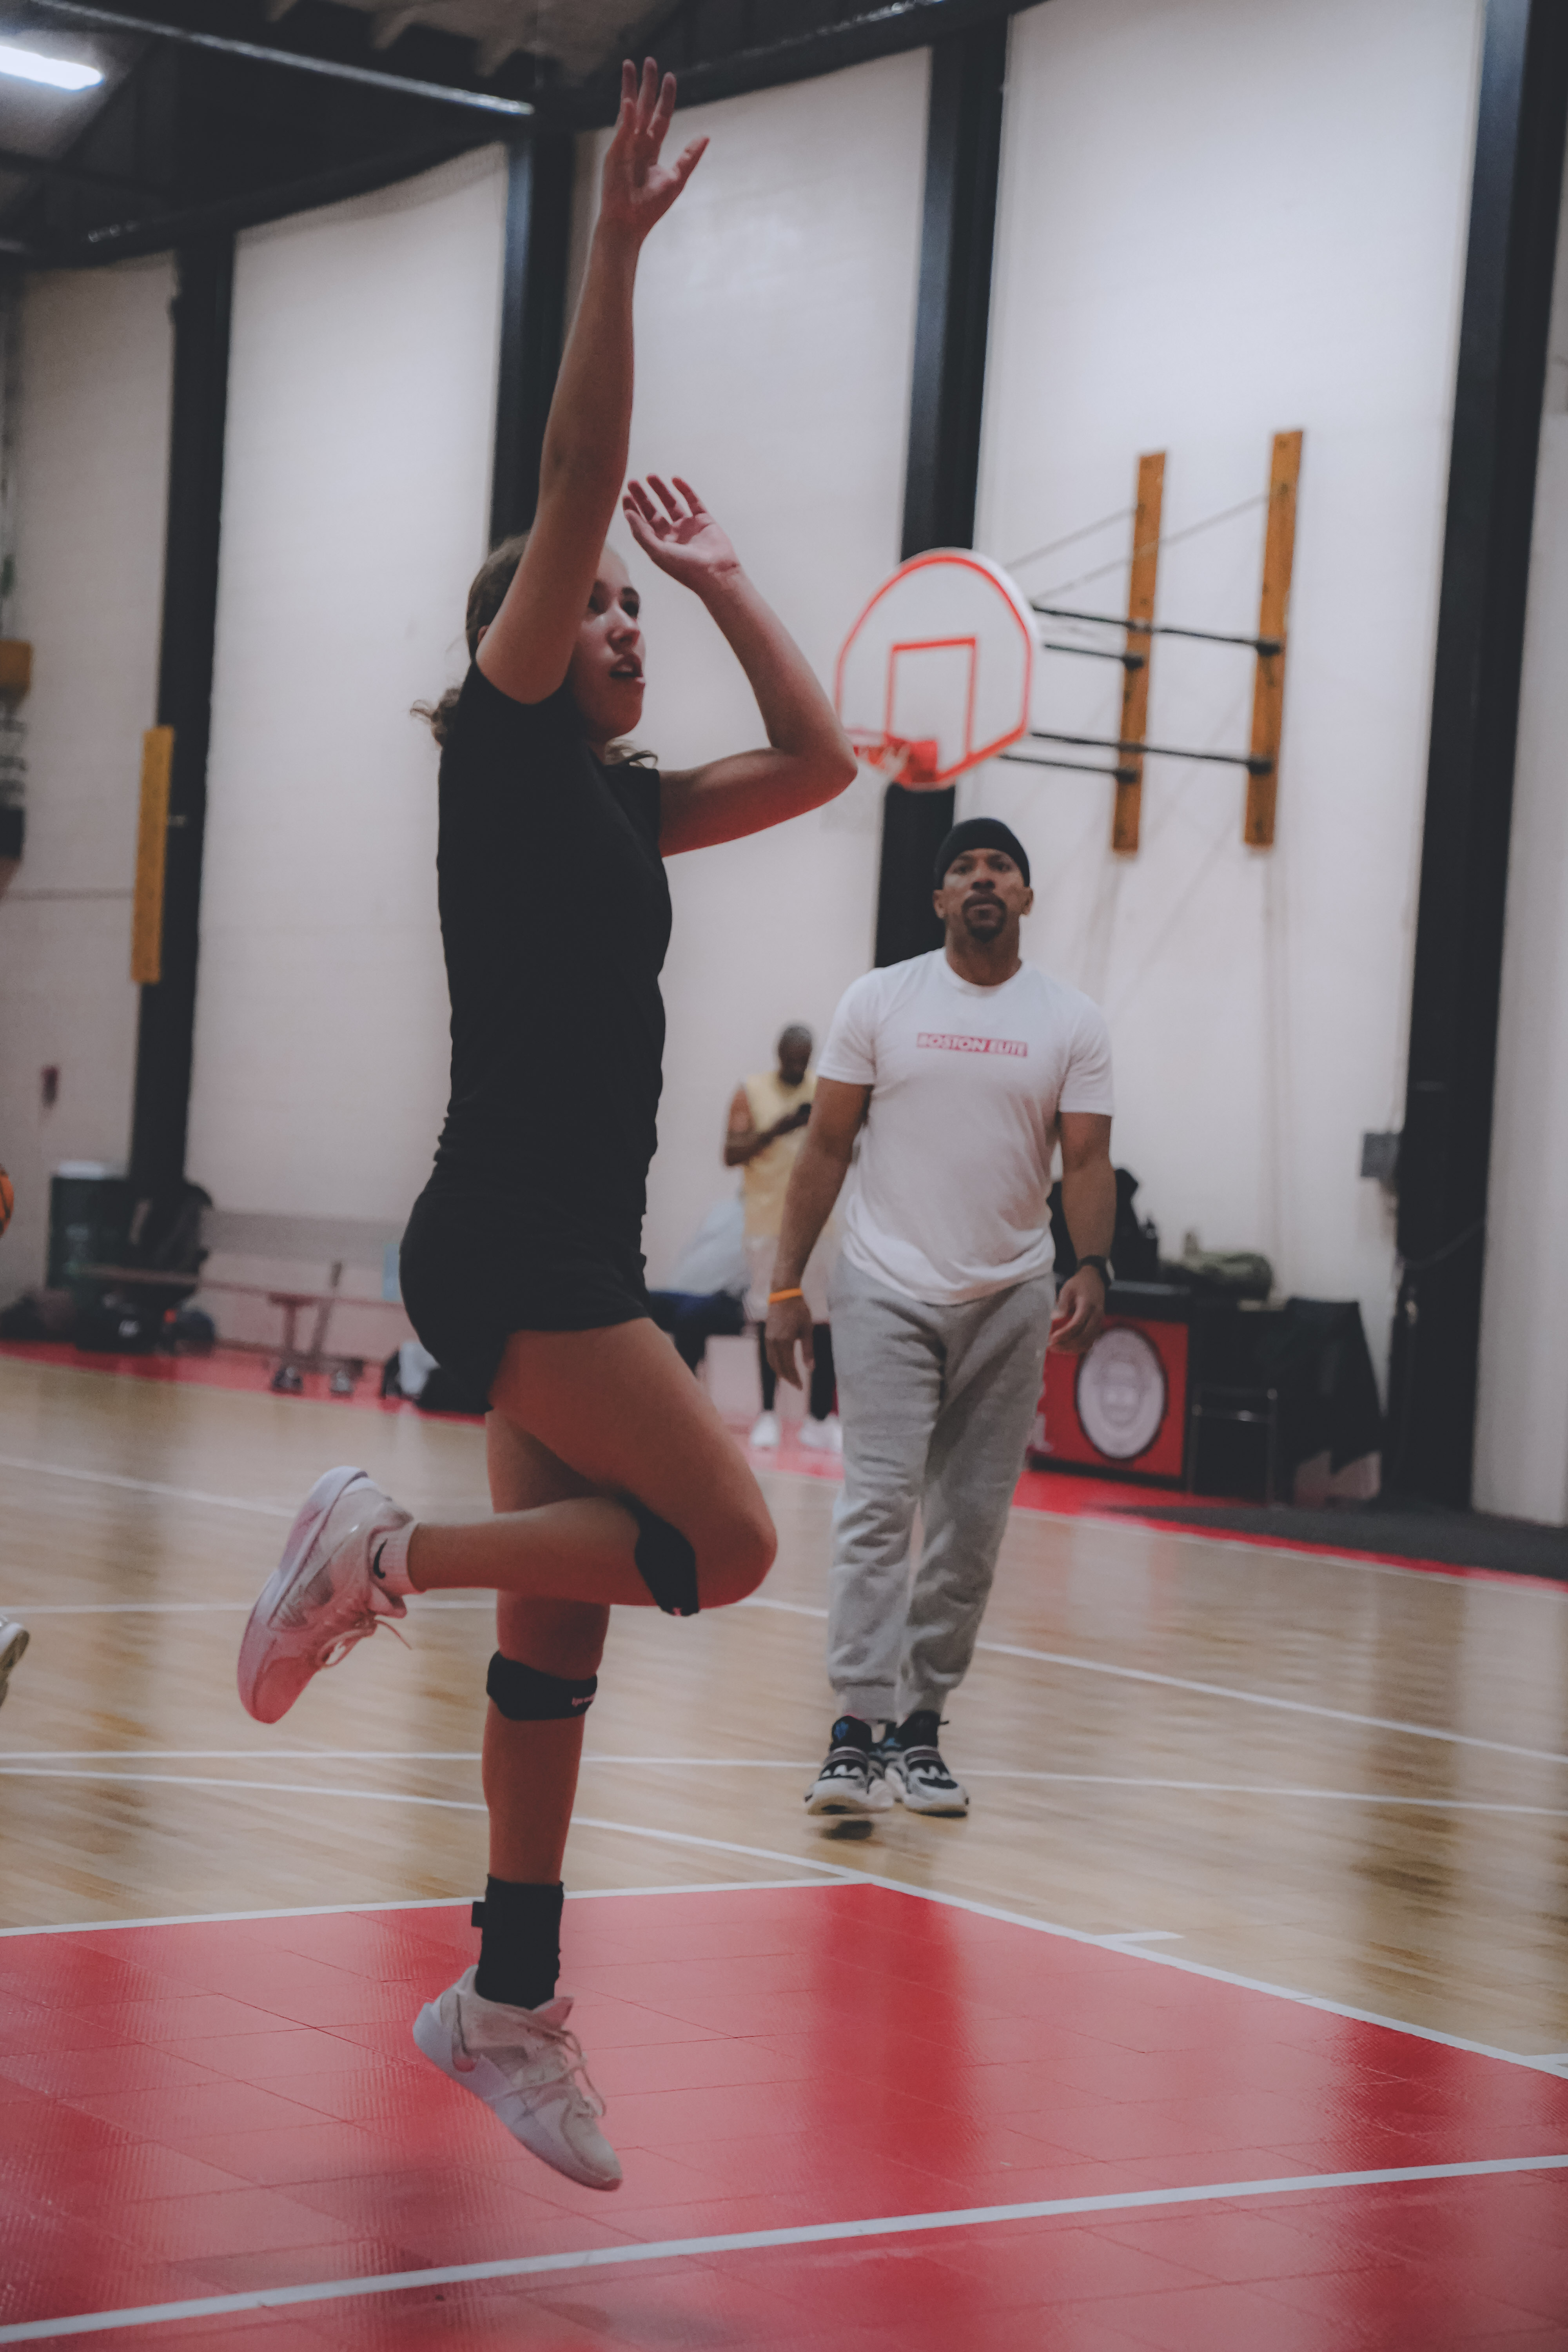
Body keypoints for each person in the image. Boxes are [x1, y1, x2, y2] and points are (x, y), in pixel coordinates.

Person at [235, 58, 855, 2197]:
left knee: (557, 1659)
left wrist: (722, 582)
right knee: (737, 1545)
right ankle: (368, 1551)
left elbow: (823, 754)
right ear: (516, 634)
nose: (608, 622)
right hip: (514, 1235)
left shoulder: (628, 799)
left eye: (616, 611)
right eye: (582, 600)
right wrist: (610, 253)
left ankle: (505, 1999)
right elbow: (579, 461)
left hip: (556, 1235)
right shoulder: (503, 751)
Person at [766, 818, 1116, 1821]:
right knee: (877, 1504)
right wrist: (787, 1287)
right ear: (937, 900)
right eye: (962, 868)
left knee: (968, 1526)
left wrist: (1091, 1263)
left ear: (1025, 897)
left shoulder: (1071, 1020)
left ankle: (921, 1731)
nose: (980, 880)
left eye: (999, 867)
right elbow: (825, 1148)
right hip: (883, 1282)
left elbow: (1084, 1161)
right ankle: (855, 1727)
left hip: (1009, 1292)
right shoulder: (879, 1000)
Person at [724, 1022, 839, 1449]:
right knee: (768, 1317)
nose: (797, 1066)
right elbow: (730, 1153)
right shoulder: (750, 1091)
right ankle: (768, 1415)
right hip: (767, 1225)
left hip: (820, 1225)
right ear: (778, 1054)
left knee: (824, 1319)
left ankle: (818, 1419)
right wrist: (781, 1127)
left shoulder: (826, 1090)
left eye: (803, 1059)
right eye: (790, 1058)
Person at [647, 1192, 749, 1372]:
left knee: (691, 1314)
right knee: (634, 1301)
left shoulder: (771, 1216)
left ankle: (681, 1389)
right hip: (685, 1291)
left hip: (729, 1299)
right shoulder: (722, 1209)